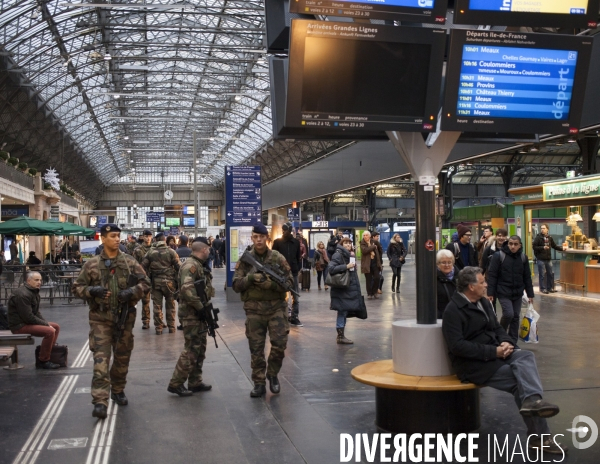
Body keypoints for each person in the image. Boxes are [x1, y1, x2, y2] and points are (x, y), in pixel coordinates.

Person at [442, 267, 565, 455]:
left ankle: (534, 407)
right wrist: (494, 352)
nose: (486, 285)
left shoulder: (483, 302)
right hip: (475, 365)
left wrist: (507, 342)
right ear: (471, 287)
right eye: (482, 282)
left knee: (525, 356)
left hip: (496, 354)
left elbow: (497, 328)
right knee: (520, 383)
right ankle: (541, 437)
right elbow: (457, 346)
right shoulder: (453, 310)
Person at [72, 224, 150, 419]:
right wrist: (92, 291)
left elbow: (146, 283)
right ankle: (100, 400)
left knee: (122, 357)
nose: (117, 239)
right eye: (113, 236)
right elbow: (77, 288)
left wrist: (131, 292)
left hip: (125, 319)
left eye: (118, 236)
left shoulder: (130, 262)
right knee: (101, 359)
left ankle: (117, 389)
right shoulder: (91, 265)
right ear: (103, 239)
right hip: (100, 319)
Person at [232, 223, 293, 398]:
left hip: (276, 309)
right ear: (252, 238)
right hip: (254, 311)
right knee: (256, 349)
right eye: (255, 237)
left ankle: (272, 374)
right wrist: (251, 278)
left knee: (280, 345)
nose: (259, 240)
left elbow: (290, 283)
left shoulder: (277, 258)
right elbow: (236, 285)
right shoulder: (245, 260)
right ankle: (259, 383)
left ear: (267, 238)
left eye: (262, 237)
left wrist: (272, 285)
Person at [167, 238, 214, 397]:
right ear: (203, 250)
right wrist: (201, 308)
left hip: (197, 313)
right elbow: (187, 290)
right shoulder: (191, 266)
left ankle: (195, 381)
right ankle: (176, 383)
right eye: (208, 249)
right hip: (191, 314)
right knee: (191, 349)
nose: (209, 252)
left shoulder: (198, 265)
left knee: (199, 348)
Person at [486, 235, 534, 344]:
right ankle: (501, 334)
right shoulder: (499, 256)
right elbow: (492, 275)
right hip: (503, 291)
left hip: (517, 292)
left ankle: (512, 342)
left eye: (515, 244)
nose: (513, 246)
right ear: (508, 244)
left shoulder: (523, 258)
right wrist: (490, 292)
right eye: (511, 243)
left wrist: (530, 294)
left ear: (520, 245)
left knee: (515, 317)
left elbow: (527, 276)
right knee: (509, 314)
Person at [8, 271, 61, 369]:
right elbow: (28, 317)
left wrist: (45, 323)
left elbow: (36, 312)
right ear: (28, 281)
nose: (39, 282)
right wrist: (46, 325)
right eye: (36, 280)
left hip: (25, 322)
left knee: (55, 327)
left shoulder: (33, 292)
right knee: (49, 331)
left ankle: (48, 354)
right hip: (19, 326)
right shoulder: (23, 295)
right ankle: (43, 361)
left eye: (40, 280)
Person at [142, 232, 181, 334]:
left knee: (157, 306)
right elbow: (179, 268)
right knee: (171, 305)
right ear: (164, 240)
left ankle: (158, 328)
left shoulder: (150, 252)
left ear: (156, 240)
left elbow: (142, 267)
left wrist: (146, 279)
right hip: (170, 284)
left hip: (156, 284)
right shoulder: (171, 252)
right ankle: (172, 327)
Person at [328, 237, 362, 344]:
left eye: (349, 243)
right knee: (342, 311)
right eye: (346, 243)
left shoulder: (349, 255)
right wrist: (346, 266)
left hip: (347, 288)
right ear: (342, 245)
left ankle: (341, 335)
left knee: (344, 311)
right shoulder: (338, 254)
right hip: (341, 289)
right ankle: (340, 336)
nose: (348, 245)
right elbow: (331, 269)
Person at [272, 222, 302, 326]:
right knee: (280, 295)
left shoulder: (296, 243)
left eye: (287, 231)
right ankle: (282, 316)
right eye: (285, 231)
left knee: (295, 296)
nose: (286, 233)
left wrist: (297, 268)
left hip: (293, 271)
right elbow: (273, 258)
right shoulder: (277, 242)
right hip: (280, 273)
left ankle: (294, 316)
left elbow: (298, 257)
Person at [532, 224, 563, 294]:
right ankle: (543, 289)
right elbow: (534, 247)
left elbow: (554, 246)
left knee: (550, 274)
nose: (542, 230)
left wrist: (562, 249)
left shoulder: (549, 238)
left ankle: (550, 288)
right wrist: (543, 247)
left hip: (548, 259)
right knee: (542, 275)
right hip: (541, 259)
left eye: (544, 228)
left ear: (547, 229)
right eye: (541, 228)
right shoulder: (538, 238)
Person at [133, 230, 154, 330]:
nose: (148, 238)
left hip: (155, 277)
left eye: (149, 236)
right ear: (142, 237)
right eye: (146, 236)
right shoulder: (138, 250)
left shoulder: (155, 249)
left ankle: (159, 320)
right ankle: (146, 321)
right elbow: (134, 265)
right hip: (144, 278)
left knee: (157, 301)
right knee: (145, 301)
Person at [436, 250, 458, 319]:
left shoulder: (460, 277)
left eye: (449, 262)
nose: (447, 265)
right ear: (437, 264)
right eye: (443, 262)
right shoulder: (433, 279)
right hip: (442, 318)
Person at [360, 231, 381, 299]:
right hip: (367, 264)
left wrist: (380, 260)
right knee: (368, 280)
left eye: (366, 235)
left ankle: (375, 292)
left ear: (369, 236)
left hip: (375, 263)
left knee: (377, 278)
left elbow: (380, 249)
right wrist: (373, 247)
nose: (365, 237)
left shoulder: (374, 242)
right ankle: (369, 293)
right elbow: (365, 251)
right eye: (364, 235)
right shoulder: (362, 243)